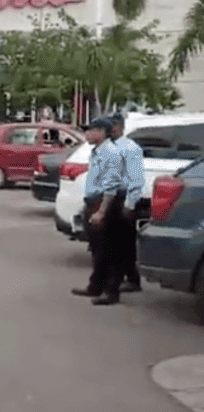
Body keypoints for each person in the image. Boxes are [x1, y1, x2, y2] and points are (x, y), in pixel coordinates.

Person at [71, 117, 126, 305]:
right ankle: (95, 286)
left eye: (91, 130)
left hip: (106, 203)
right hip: (95, 201)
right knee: (97, 249)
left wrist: (101, 211)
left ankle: (111, 292)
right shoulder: (97, 151)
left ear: (102, 132)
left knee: (109, 250)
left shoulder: (110, 153)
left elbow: (111, 186)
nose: (87, 134)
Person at [110, 112, 145, 293]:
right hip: (111, 198)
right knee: (120, 244)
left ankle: (124, 282)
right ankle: (131, 279)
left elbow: (136, 179)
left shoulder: (130, 148)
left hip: (124, 199)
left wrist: (130, 204)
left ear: (120, 127)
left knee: (123, 244)